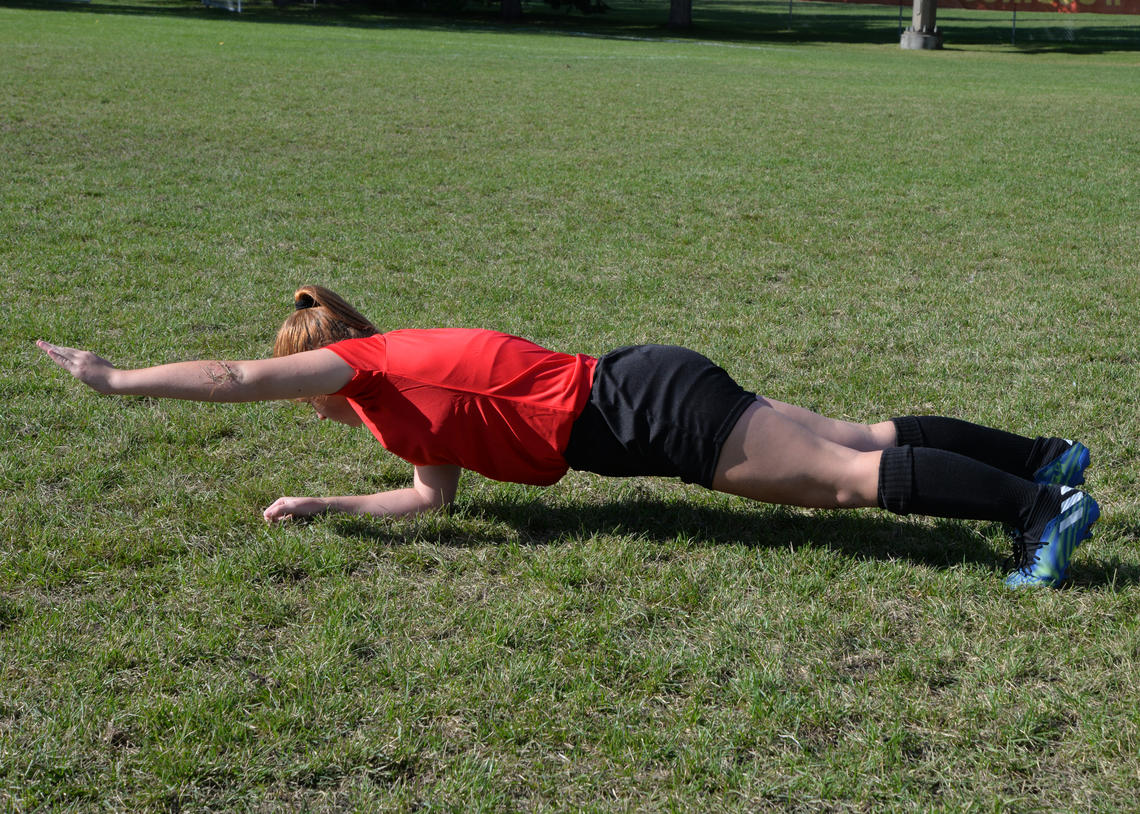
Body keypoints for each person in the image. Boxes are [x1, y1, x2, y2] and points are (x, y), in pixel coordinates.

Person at [37, 285, 1100, 589]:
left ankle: (1036, 511)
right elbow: (432, 497)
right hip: (644, 385)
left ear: (328, 354)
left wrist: (117, 377)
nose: (298, 394)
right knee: (858, 437)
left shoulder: (369, 361)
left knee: (843, 480)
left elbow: (239, 376)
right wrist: (327, 506)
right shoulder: (392, 403)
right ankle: (1041, 456)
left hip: (640, 410)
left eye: (301, 375)